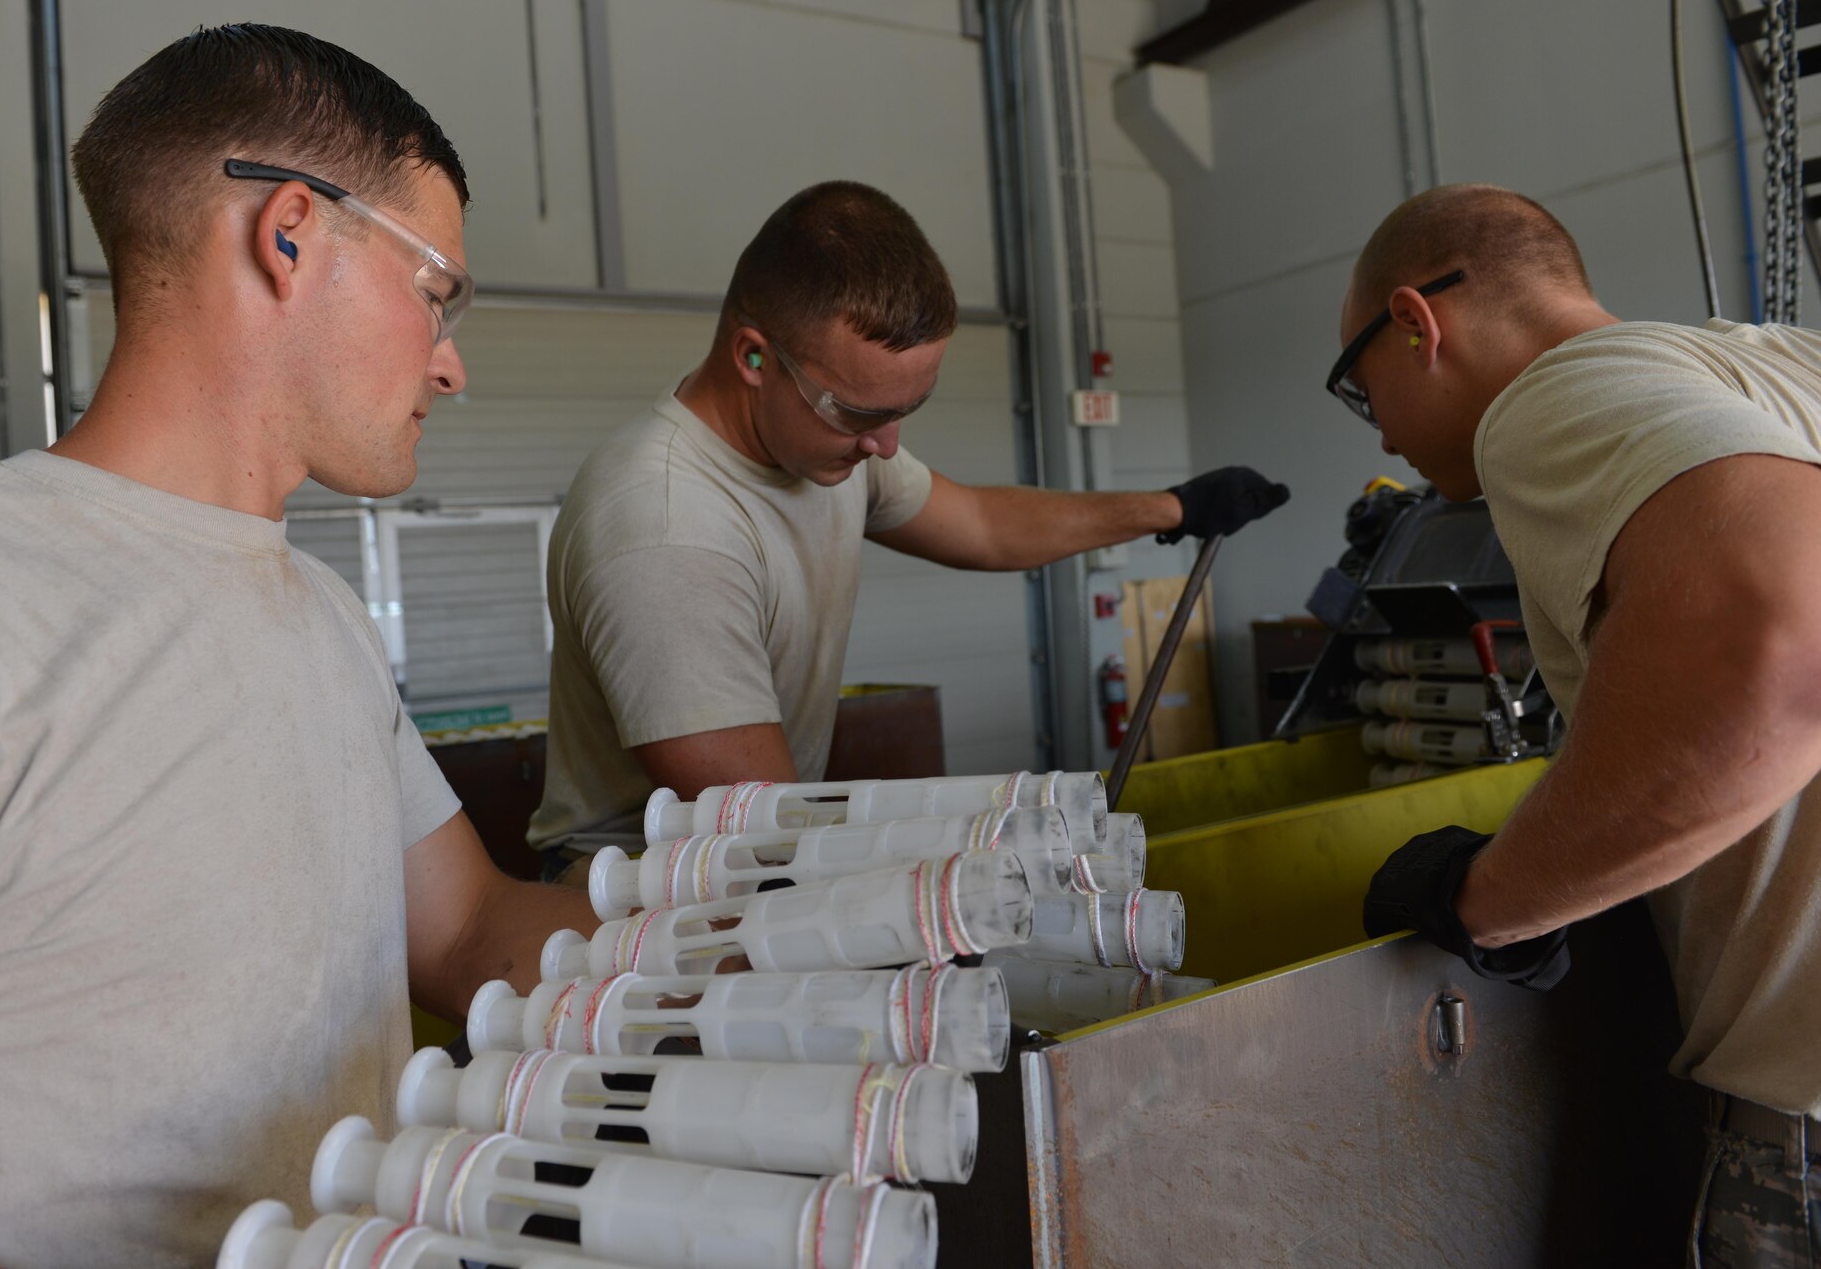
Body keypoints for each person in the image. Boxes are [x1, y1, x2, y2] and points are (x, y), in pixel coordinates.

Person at [0, 25, 593, 1268]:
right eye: (434, 289)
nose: (446, 364)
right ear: (289, 234)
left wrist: (758, 960)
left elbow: (459, 934)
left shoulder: (325, 620)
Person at [529, 180, 1288, 868]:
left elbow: (985, 524)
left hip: (749, 862)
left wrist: (1174, 507)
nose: (884, 445)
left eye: (904, 412)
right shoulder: (665, 524)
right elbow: (763, 830)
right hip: (635, 904)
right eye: (860, 412)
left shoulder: (827, 448)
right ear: (754, 358)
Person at [1345, 185, 1821, 1265]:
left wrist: (1492, 900)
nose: (1373, 426)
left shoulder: (1551, 397)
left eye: (1355, 382)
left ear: (1415, 323)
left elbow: (1781, 655)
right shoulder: (1782, 362)